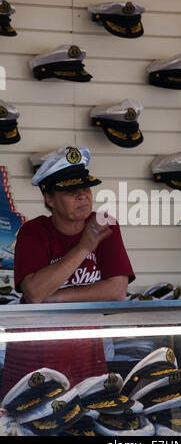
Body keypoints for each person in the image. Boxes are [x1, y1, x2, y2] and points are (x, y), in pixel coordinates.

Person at [0, 146, 135, 397]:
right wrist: (84, 246)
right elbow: (35, 291)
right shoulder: (33, 231)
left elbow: (117, 291)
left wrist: (57, 297)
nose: (82, 195)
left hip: (85, 346)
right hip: (36, 348)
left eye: (86, 188)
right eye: (70, 190)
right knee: (31, 419)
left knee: (87, 416)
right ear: (48, 198)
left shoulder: (105, 225)